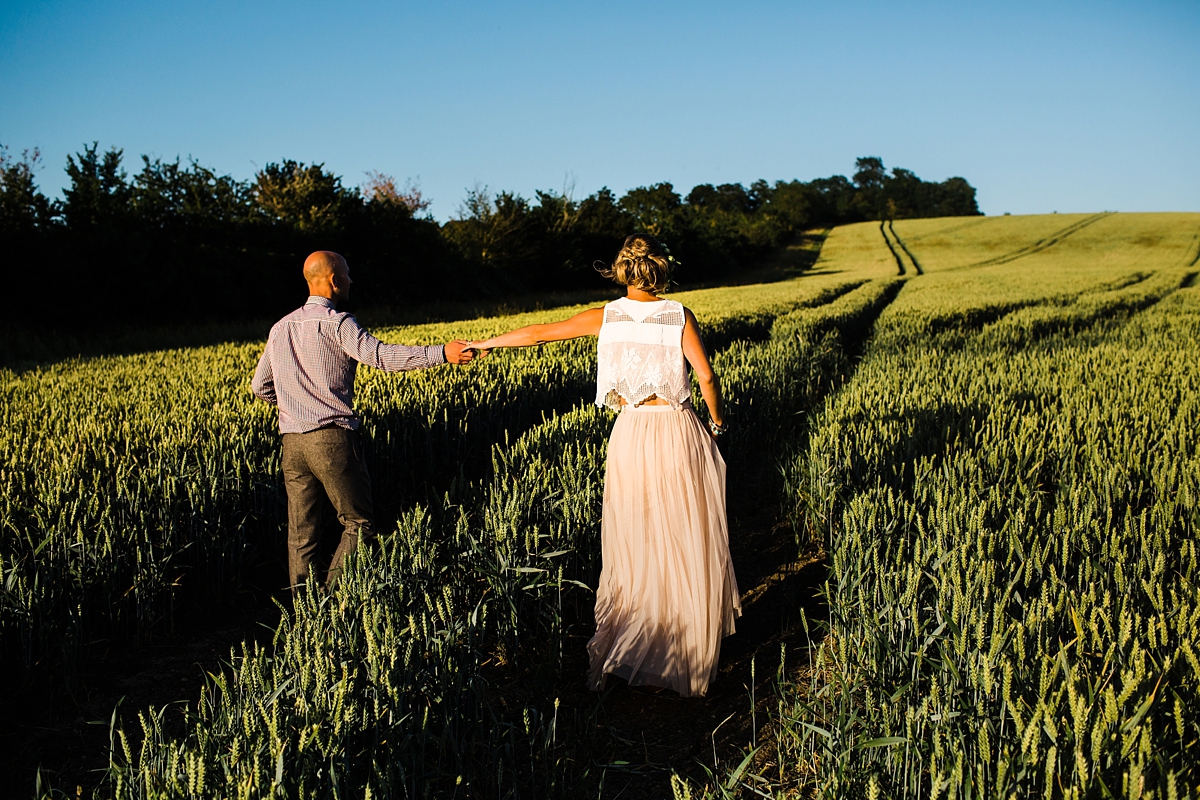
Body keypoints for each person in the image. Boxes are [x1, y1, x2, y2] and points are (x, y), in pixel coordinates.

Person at [468, 234, 740, 697]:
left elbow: (538, 333)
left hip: (631, 433)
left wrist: (486, 341)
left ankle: (638, 639)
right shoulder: (678, 316)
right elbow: (706, 375)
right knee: (681, 530)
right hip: (675, 429)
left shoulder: (605, 316)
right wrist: (717, 423)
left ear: (621, 272)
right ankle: (690, 651)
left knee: (635, 534)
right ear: (660, 269)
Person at [251, 251, 475, 592]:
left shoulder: (280, 327)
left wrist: (295, 406)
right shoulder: (338, 323)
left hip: (292, 443)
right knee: (359, 523)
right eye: (347, 274)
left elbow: (260, 386)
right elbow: (382, 357)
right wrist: (441, 353)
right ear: (334, 280)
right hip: (331, 440)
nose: (352, 280)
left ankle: (304, 613)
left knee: (301, 531)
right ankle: (331, 604)